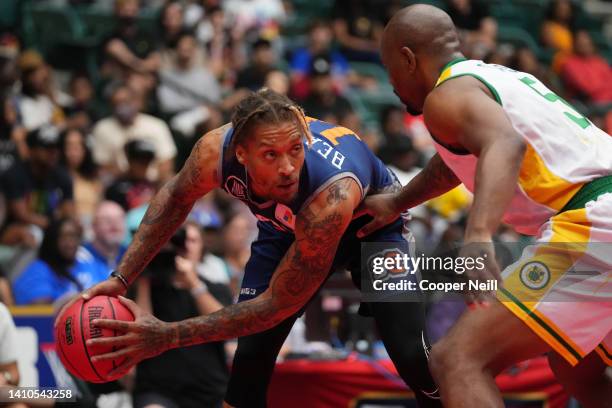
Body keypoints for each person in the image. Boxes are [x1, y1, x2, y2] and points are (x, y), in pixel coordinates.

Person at [69, 89, 441, 408]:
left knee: (409, 354)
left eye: (295, 149)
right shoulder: (215, 150)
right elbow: (174, 198)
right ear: (242, 154)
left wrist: (167, 336)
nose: (287, 168)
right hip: (284, 228)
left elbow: (272, 307)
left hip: (372, 228)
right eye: (271, 155)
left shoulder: (330, 194)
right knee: (251, 358)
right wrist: (121, 277)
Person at [356, 5, 612, 407]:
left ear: (407, 59)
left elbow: (504, 144)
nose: (390, 83)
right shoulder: (495, 78)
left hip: (593, 223)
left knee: (458, 359)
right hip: (602, 214)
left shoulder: (446, 96)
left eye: (389, 69)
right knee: (576, 367)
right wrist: (399, 201)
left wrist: (477, 237)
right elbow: (457, 160)